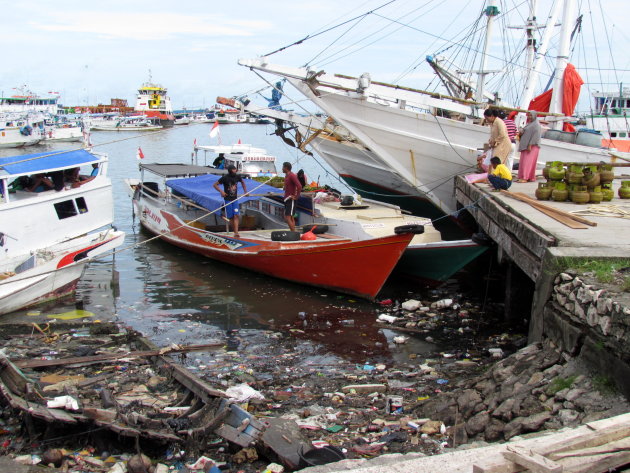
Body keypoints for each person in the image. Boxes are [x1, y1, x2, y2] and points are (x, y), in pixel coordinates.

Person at [213, 165, 248, 237]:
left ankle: (236, 232)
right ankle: (235, 231)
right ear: (230, 170)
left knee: (236, 215)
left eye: (235, 169)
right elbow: (215, 185)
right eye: (233, 170)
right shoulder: (225, 178)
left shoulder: (237, 177)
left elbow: (243, 182)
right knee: (231, 217)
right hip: (227, 200)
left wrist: (245, 192)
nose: (235, 171)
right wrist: (221, 192)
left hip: (235, 199)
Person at [516, 111, 542, 183]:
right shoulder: (530, 124)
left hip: (531, 146)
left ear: (535, 116)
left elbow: (536, 136)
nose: (529, 117)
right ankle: (525, 176)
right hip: (526, 146)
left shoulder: (536, 125)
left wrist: (530, 145)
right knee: (523, 161)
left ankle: (525, 177)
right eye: (529, 115)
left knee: (527, 162)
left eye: (531, 115)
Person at [282, 162, 302, 232]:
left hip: (291, 199)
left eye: (283, 167)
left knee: (287, 217)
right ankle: (293, 231)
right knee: (291, 217)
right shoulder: (286, 176)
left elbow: (299, 186)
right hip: (287, 199)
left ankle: (293, 233)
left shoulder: (292, 175)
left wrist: (296, 196)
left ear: (286, 168)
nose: (282, 169)